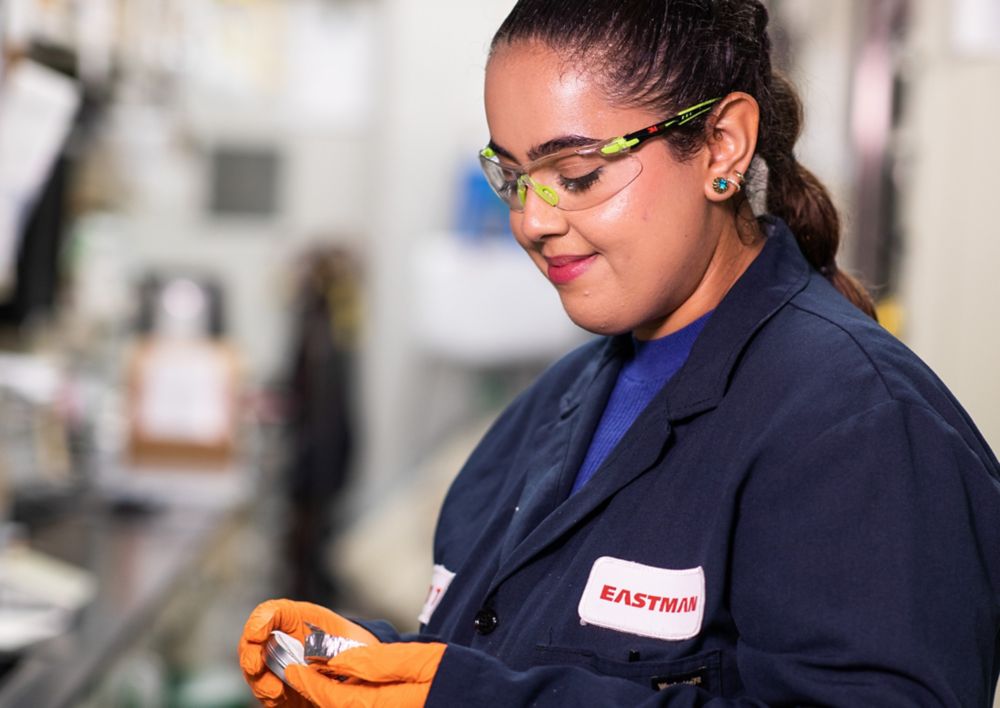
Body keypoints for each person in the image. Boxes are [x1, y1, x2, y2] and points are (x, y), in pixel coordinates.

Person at [239, 1, 1000, 705]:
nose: (532, 222)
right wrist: (375, 670)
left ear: (721, 147)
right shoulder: (551, 410)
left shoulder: (860, 432)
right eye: (512, 177)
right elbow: (507, 654)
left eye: (576, 175)